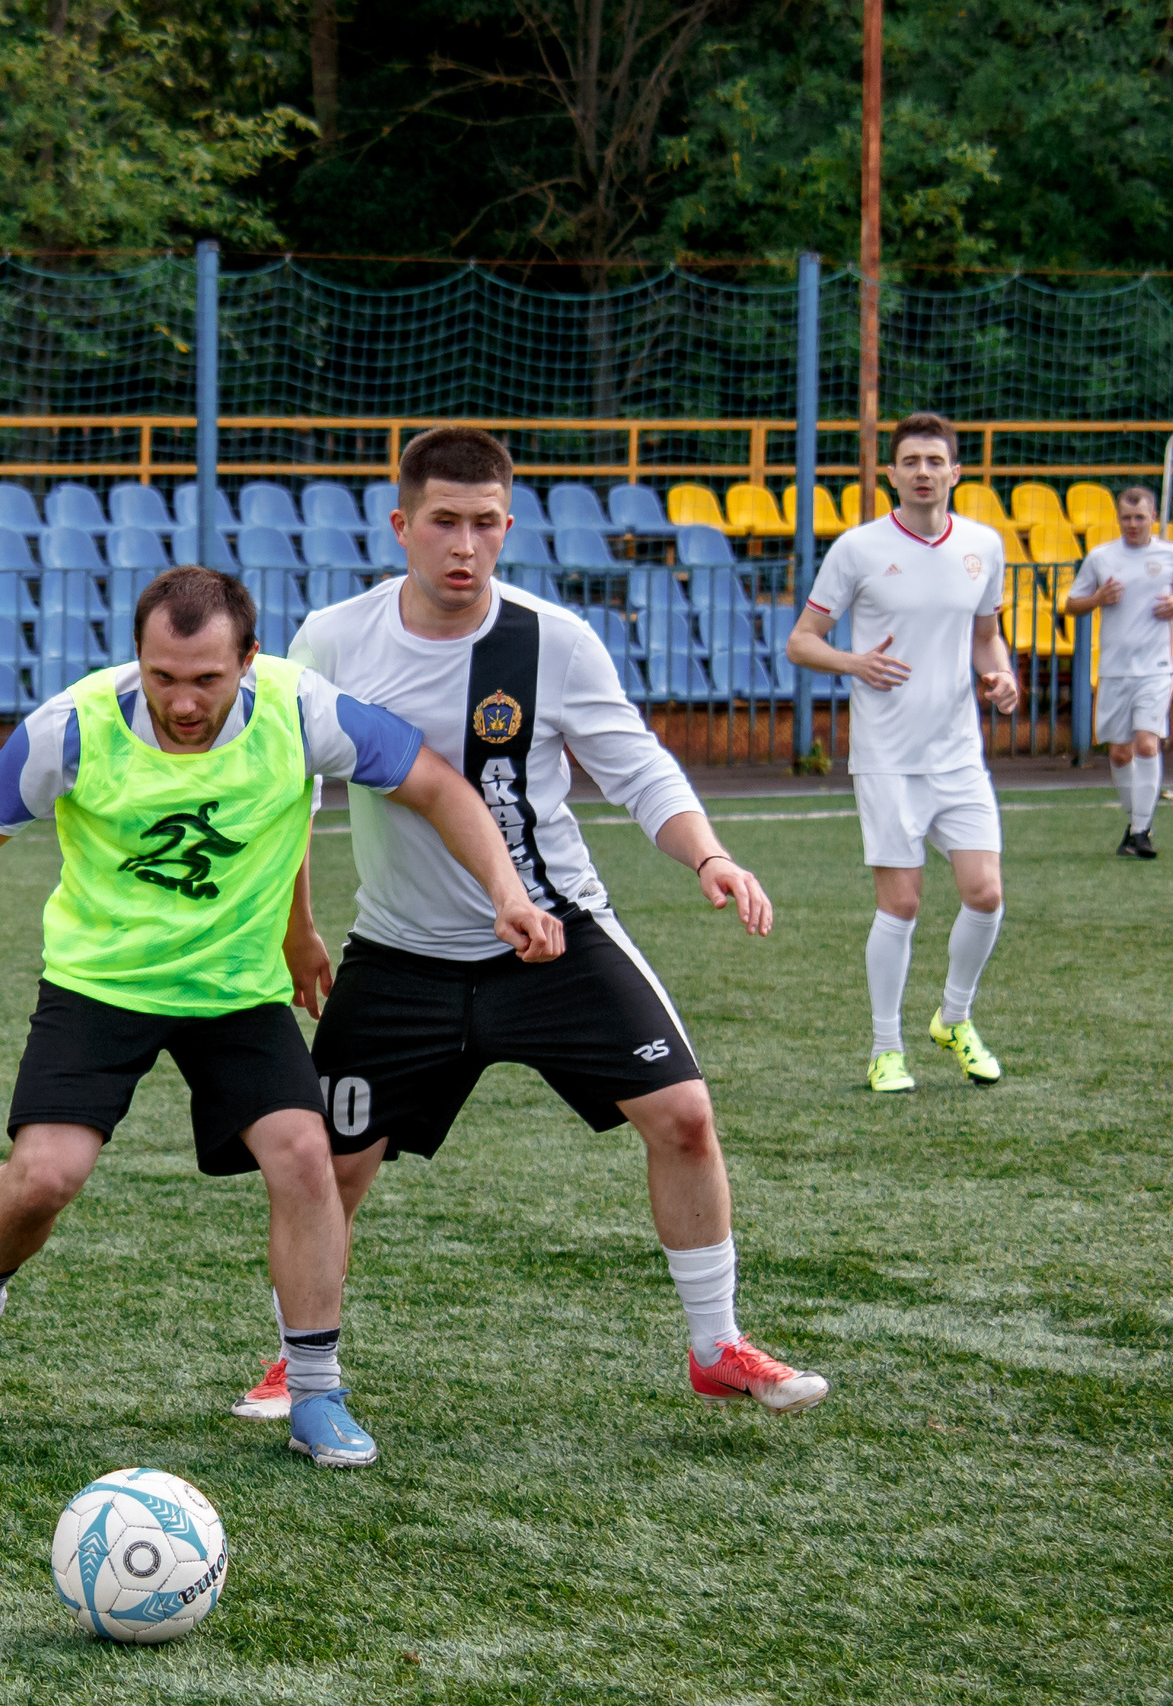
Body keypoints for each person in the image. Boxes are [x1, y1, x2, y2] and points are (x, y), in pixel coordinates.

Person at [0, 565, 565, 1470]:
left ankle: (315, 1391)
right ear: (137, 658)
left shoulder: (302, 711)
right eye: (163, 677)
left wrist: (508, 893)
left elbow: (439, 787)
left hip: (236, 993)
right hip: (101, 984)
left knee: (304, 1155)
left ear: (248, 661)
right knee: (45, 1178)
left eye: (207, 680)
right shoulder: (72, 726)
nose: (183, 702)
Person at [226, 424, 831, 1424]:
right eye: (444, 522)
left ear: (508, 526)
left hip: (552, 939)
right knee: (331, 1165)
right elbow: (290, 792)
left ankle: (715, 1342)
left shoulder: (551, 639)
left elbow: (635, 766)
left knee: (683, 1114)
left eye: (485, 524)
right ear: (401, 526)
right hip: (400, 955)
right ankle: (295, 1360)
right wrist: (299, 927)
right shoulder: (333, 640)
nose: (465, 544)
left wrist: (710, 854)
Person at [784, 412, 1020, 1095]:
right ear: (890, 473)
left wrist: (1000, 676)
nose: (923, 472)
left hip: (958, 754)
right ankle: (886, 1049)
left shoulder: (984, 545)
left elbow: (986, 638)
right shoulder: (858, 549)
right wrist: (855, 662)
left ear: (955, 471)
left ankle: (955, 1018)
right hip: (887, 756)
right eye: (910, 461)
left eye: (934, 461)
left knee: (986, 893)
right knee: (904, 904)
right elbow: (802, 641)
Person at [1063, 486, 1173, 858]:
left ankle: (1141, 831)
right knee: (1120, 754)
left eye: (1139, 517)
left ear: (1153, 518)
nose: (1132, 524)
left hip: (1157, 667)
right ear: (1118, 519)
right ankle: (1137, 824)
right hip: (1114, 669)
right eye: (1126, 518)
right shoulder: (1100, 557)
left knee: (1147, 743)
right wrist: (1097, 599)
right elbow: (1071, 604)